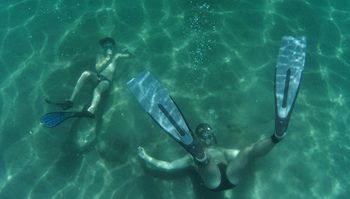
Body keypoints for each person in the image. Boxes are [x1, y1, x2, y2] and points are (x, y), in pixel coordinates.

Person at [128, 36, 307, 191]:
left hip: (231, 178)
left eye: (207, 133)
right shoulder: (189, 159)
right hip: (212, 181)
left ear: (212, 136)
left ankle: (277, 135)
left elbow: (248, 155)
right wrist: (147, 158)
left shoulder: (222, 151)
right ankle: (201, 157)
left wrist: (262, 144)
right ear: (199, 138)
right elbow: (168, 167)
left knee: (246, 151)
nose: (206, 136)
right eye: (202, 135)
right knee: (202, 161)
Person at [42, 37, 132, 127]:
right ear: (103, 47)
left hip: (106, 81)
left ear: (113, 46)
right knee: (85, 73)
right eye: (105, 46)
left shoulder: (117, 56)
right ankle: (70, 101)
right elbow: (98, 69)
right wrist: (107, 58)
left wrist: (127, 52)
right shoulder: (99, 56)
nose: (108, 47)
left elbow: (130, 56)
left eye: (110, 45)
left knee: (98, 89)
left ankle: (91, 111)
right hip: (97, 77)